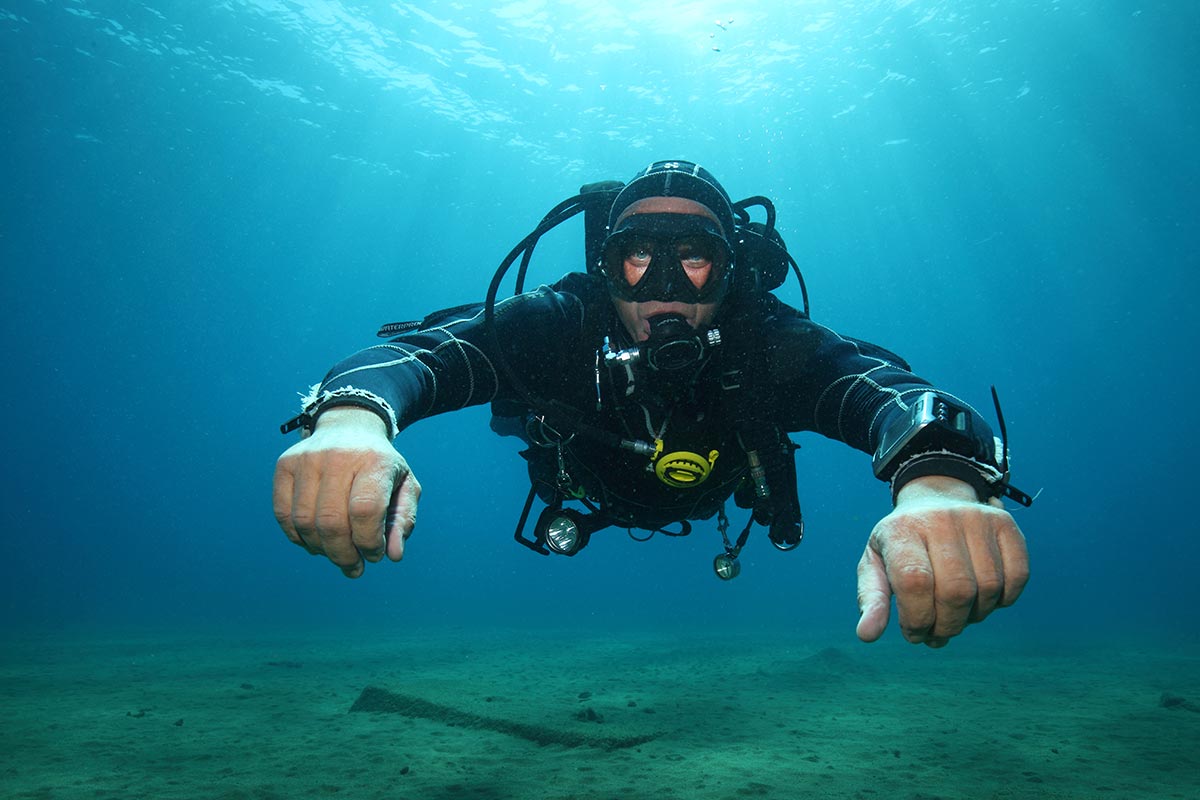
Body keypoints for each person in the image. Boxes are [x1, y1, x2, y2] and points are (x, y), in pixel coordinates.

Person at [273, 160, 1032, 648]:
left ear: (731, 272)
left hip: (712, 489)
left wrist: (937, 479)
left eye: (694, 256)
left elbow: (891, 391)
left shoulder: (768, 342)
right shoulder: (559, 322)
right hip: (584, 484)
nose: (664, 283)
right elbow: (420, 354)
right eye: (638, 254)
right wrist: (350, 419)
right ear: (606, 266)